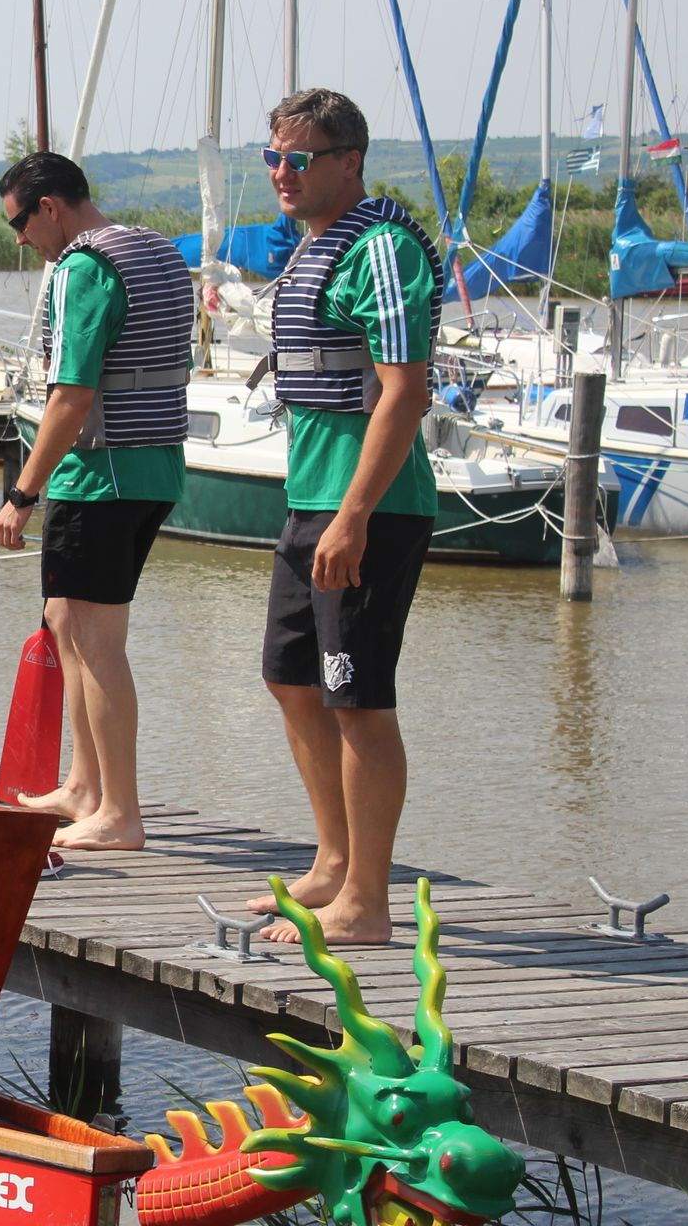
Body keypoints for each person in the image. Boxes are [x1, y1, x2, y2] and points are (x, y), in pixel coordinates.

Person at [246, 87, 442, 946]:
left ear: (350, 162)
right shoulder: (313, 249)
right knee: (291, 678)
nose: (282, 174)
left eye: (300, 159)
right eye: (274, 158)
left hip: (370, 507)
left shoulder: (383, 249)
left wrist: (355, 514)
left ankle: (368, 899)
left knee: (358, 698)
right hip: (308, 500)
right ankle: (332, 859)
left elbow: (407, 390)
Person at [0, 151, 193, 852]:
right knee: (64, 622)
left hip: (100, 476)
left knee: (98, 644)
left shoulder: (82, 265)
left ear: (50, 206)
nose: (21, 240)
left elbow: (71, 397)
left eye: (20, 222)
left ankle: (121, 814)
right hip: (153, 471)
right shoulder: (156, 249)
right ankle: (84, 784)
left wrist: (22, 493)